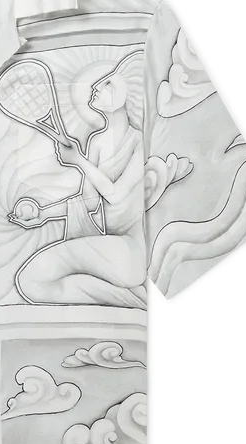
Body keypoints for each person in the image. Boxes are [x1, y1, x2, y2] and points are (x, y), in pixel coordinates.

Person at [9, 55, 148, 309]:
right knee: (32, 282)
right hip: (109, 250)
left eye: (108, 84)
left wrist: (79, 161)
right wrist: (43, 214)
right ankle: (130, 300)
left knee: (33, 276)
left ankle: (134, 299)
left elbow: (115, 194)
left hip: (131, 254)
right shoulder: (96, 141)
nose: (96, 87)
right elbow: (89, 202)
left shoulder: (140, 142)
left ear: (125, 95)